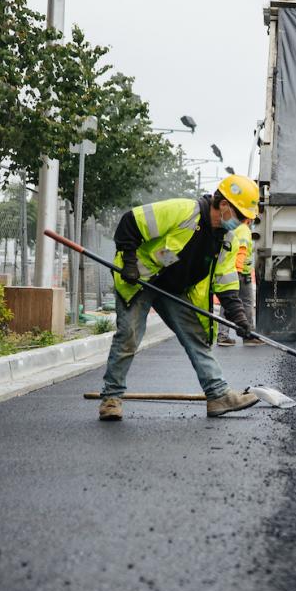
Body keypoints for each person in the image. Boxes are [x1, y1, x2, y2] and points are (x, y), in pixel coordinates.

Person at [97, 175, 261, 421]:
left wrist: (240, 319)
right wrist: (129, 262)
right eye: (240, 214)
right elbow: (130, 221)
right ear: (224, 204)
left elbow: (225, 283)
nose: (241, 222)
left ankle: (218, 396)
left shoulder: (227, 239)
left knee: (196, 337)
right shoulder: (184, 212)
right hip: (142, 279)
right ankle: (111, 398)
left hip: (173, 289)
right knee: (129, 335)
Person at [217, 222, 264, 347]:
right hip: (241, 273)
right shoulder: (244, 229)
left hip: (232, 271)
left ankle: (222, 336)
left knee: (226, 303)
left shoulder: (234, 228)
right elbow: (241, 251)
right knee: (247, 303)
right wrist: (238, 271)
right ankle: (249, 336)